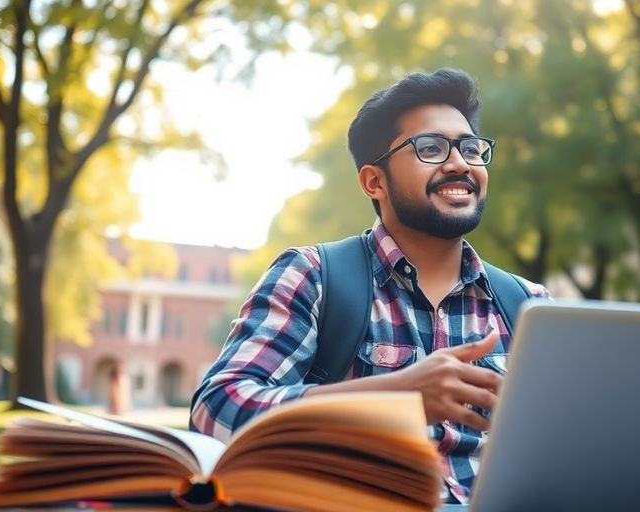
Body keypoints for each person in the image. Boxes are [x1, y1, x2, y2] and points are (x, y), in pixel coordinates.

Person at [189, 68, 549, 504]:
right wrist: (393, 396)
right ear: (374, 181)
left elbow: (571, 447)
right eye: (430, 148)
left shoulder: (531, 306)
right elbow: (216, 411)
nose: (460, 163)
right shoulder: (313, 276)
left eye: (470, 148)